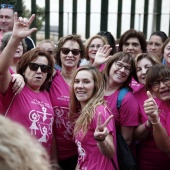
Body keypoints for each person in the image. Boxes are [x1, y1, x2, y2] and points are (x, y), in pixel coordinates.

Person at [0, 13, 55, 158]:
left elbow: (50, 132)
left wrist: (53, 162)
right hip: (16, 162)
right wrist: (15, 38)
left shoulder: (46, 94)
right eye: (34, 66)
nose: (39, 71)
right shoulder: (15, 86)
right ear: (24, 68)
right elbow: (1, 71)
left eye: (44, 68)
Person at [69, 66, 118, 170]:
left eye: (86, 82)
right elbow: (83, 155)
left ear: (96, 86)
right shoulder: (83, 112)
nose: (80, 86)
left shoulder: (99, 111)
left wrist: (101, 140)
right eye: (77, 81)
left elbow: (110, 153)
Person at [49, 34, 86, 170]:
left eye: (75, 52)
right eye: (65, 51)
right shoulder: (49, 78)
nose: (70, 55)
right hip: (52, 150)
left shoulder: (87, 78)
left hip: (79, 151)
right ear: (60, 54)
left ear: (80, 55)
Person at [133, 53, 170, 170]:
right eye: (138, 69)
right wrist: (152, 120)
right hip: (150, 161)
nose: (143, 72)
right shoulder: (133, 97)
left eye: (147, 68)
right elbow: (165, 146)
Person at [102, 52, 139, 147]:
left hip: (112, 154)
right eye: (119, 65)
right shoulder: (96, 87)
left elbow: (126, 139)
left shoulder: (127, 98)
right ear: (109, 65)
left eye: (127, 68)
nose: (122, 70)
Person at [143, 64, 170, 168]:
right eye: (155, 84)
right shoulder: (160, 110)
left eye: (166, 80)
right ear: (151, 90)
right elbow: (165, 147)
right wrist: (154, 119)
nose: (162, 86)